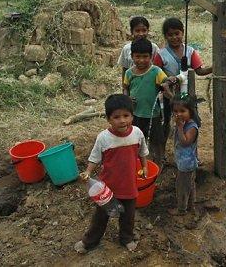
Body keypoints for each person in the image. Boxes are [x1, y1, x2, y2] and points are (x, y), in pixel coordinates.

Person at [74, 94, 149, 253]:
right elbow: (95, 157)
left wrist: (145, 167)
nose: (122, 120)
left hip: (129, 186)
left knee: (128, 217)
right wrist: (87, 171)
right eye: (116, 117)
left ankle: (126, 238)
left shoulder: (137, 133)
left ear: (132, 116)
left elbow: (143, 151)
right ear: (108, 119)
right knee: (101, 217)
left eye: (126, 116)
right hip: (108, 188)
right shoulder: (104, 138)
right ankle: (89, 241)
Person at [153, 17, 212, 160]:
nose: (174, 37)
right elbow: (156, 75)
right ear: (165, 36)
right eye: (170, 34)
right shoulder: (161, 54)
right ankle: (161, 155)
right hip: (168, 97)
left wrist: (216, 67)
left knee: (192, 122)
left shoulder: (190, 52)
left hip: (187, 98)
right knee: (166, 122)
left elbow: (199, 71)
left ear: (183, 33)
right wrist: (166, 83)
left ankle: (192, 155)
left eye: (177, 33)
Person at [123, 38, 171, 167]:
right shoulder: (129, 73)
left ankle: (159, 162)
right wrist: (127, 98)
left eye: (145, 57)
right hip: (136, 114)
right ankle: (138, 163)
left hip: (153, 114)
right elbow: (125, 88)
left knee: (157, 140)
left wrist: (167, 87)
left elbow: (165, 83)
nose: (141, 60)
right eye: (137, 57)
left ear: (151, 56)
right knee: (136, 139)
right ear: (132, 56)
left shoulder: (156, 71)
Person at [168, 94, 199, 216]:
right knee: (189, 185)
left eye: (182, 111)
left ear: (190, 111)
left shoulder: (191, 127)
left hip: (186, 164)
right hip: (185, 162)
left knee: (182, 187)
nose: (178, 114)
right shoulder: (184, 123)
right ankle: (191, 205)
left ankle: (181, 209)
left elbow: (185, 142)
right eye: (175, 111)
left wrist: (180, 128)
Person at [117, 16, 160, 90]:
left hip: (150, 85)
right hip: (133, 86)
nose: (141, 34)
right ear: (131, 31)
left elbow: (158, 68)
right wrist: (124, 88)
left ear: (148, 31)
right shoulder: (126, 49)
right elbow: (125, 69)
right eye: (137, 31)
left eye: (144, 30)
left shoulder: (154, 48)